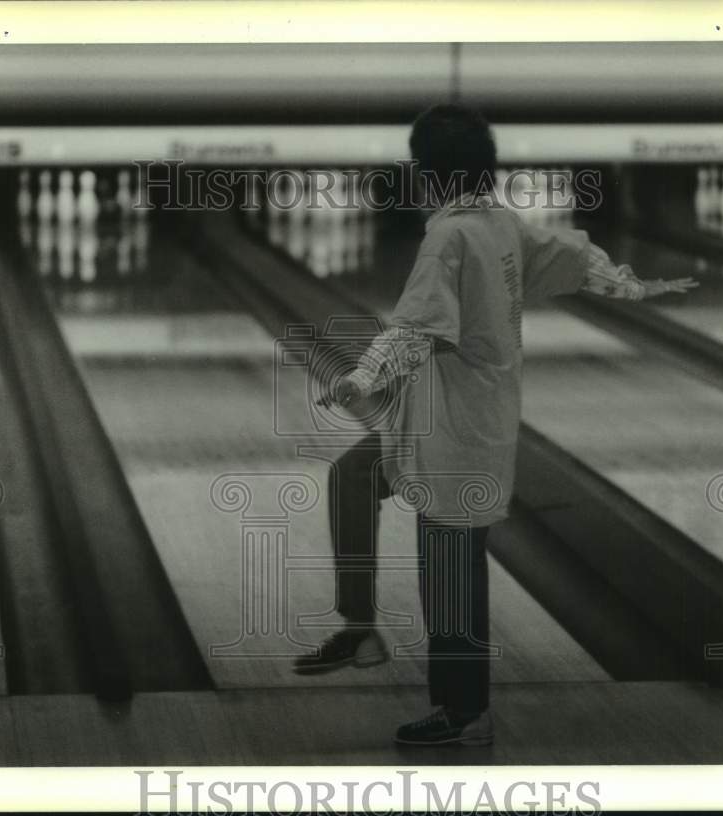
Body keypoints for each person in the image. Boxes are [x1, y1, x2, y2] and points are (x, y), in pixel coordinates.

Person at [293, 104, 698, 746]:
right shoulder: (498, 223)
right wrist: (634, 288)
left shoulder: (448, 237)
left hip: (455, 431)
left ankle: (464, 711)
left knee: (449, 570)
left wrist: (360, 379)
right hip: (455, 417)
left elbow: (415, 331)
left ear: (429, 174)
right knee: (354, 473)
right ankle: (360, 624)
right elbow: (571, 253)